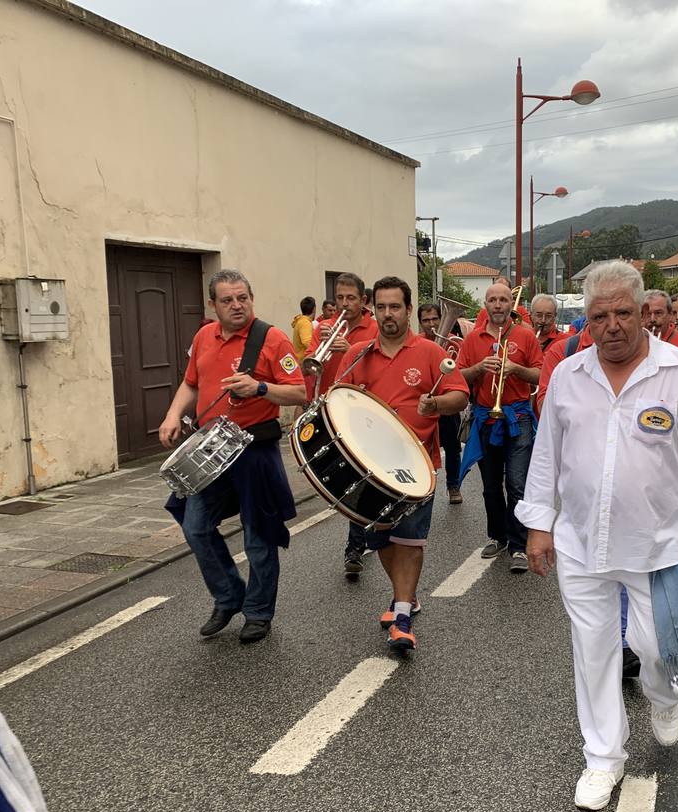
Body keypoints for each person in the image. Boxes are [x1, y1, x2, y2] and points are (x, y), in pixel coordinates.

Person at [517, 259, 678, 811]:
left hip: (656, 542)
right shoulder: (569, 376)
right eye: (600, 316)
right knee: (593, 652)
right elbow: (547, 456)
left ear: (644, 312)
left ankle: (665, 695)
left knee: (654, 646)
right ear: (586, 321)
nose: (612, 325)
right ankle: (602, 758)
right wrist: (539, 525)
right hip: (580, 541)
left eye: (623, 312)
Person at [158, 269, 309, 644]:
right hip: (211, 449)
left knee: (258, 537)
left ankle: (258, 612)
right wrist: (172, 415)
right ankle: (228, 597)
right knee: (195, 526)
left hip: (254, 449)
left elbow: (298, 392)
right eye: (227, 300)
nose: (236, 305)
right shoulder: (203, 336)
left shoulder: (271, 339)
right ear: (214, 304)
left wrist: (259, 387)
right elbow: (191, 382)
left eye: (242, 297)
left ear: (251, 298)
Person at [340, 277, 469, 652]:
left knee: (409, 540)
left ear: (408, 310)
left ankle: (401, 614)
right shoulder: (357, 354)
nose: (387, 314)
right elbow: (338, 400)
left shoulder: (429, 352)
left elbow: (459, 395)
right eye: (380, 307)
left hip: (416, 465)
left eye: (395, 307)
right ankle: (405, 596)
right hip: (369, 467)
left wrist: (437, 405)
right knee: (380, 539)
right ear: (373, 309)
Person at [457, 282, 544, 571]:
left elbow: (540, 375)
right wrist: (480, 368)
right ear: (485, 304)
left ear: (512, 305)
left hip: (517, 418)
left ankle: (519, 545)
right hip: (486, 417)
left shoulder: (525, 335)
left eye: (503, 300)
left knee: (517, 485)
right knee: (490, 487)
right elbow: (458, 378)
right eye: (492, 300)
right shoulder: (473, 339)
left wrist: (516, 369)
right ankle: (497, 536)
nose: (497, 305)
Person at [306, 273, 380, 580]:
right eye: (340, 298)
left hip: (362, 410)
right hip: (329, 409)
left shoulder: (374, 327)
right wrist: (318, 346)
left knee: (360, 477)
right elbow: (309, 363)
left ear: (363, 300)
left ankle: (354, 547)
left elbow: (376, 362)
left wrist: (347, 347)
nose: (345, 304)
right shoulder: (323, 327)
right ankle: (366, 532)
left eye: (351, 298)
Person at [418, 302, 465, 504]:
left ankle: (453, 486)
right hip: (424, 404)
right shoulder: (416, 345)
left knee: (453, 447)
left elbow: (460, 371)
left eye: (435, 319)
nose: (431, 324)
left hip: (446, 402)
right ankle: (423, 487)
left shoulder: (454, 343)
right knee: (422, 449)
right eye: (426, 320)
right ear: (420, 323)